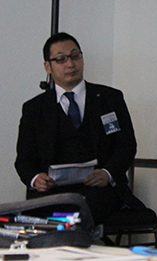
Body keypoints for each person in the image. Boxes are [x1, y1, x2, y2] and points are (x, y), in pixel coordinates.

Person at [14, 32, 139, 225]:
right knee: (56, 213)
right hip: (52, 191)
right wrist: (36, 178)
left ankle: (72, 237)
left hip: (100, 190)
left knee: (81, 210)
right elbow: (24, 160)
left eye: (75, 56)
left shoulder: (109, 99)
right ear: (48, 67)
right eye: (61, 59)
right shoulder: (34, 109)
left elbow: (127, 145)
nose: (70, 64)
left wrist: (107, 173)